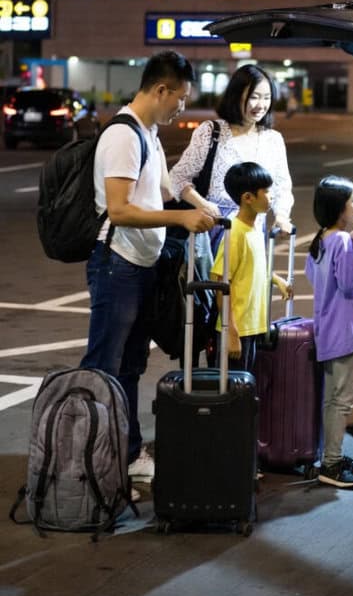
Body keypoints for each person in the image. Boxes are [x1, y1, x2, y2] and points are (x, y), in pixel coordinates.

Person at [80, 51, 214, 496]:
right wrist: (180, 221)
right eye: (180, 98)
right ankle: (88, 459)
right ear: (161, 90)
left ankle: (130, 451)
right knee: (104, 365)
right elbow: (118, 209)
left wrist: (200, 208)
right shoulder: (123, 136)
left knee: (132, 365)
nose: (182, 107)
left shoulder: (149, 134)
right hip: (117, 265)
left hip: (141, 265)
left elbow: (160, 197)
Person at [169, 65, 294, 359]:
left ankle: (237, 372)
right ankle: (214, 370)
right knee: (212, 303)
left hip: (252, 230)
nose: (260, 105)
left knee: (244, 302)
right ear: (236, 94)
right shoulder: (212, 132)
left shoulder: (273, 139)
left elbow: (282, 186)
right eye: (253, 96)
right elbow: (178, 178)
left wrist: (284, 216)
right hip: (213, 230)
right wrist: (202, 204)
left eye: (266, 97)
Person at [305, 175, 353, 489]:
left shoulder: (320, 238)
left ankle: (331, 456)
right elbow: (348, 283)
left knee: (332, 398)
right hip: (344, 332)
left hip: (325, 329)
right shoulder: (344, 241)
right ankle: (331, 463)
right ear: (339, 209)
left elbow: (312, 276)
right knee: (342, 399)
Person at [210, 162, 291, 373]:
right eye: (266, 191)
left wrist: (276, 279)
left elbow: (253, 267)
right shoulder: (234, 232)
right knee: (232, 395)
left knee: (245, 391)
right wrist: (231, 331)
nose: (270, 196)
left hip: (251, 326)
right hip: (237, 329)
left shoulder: (254, 228)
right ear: (248, 198)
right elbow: (220, 283)